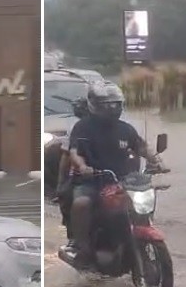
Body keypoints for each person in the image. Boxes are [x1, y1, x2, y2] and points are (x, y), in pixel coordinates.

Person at [61, 84, 164, 268]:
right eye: (106, 105)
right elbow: (74, 152)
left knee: (142, 201)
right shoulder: (83, 127)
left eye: (115, 105)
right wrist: (83, 166)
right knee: (81, 203)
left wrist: (156, 161)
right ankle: (82, 247)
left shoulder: (126, 129)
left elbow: (141, 146)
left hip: (123, 182)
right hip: (92, 181)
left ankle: (132, 236)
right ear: (94, 105)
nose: (111, 109)